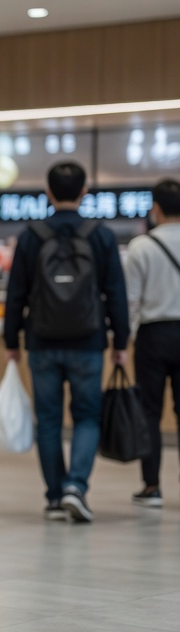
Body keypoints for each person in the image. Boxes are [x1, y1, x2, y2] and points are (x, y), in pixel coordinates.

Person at [4, 161, 129, 523]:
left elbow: (15, 294)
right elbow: (116, 293)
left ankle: (55, 497)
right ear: (84, 193)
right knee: (87, 416)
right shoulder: (101, 235)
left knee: (48, 421)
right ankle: (76, 486)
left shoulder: (31, 235)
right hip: (88, 341)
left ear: (48, 193)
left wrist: (11, 339)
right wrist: (121, 340)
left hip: (41, 340)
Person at [124, 178, 180, 508]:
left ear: (155, 208)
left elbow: (131, 301)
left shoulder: (141, 247)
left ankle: (152, 486)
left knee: (149, 412)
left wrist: (126, 339)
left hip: (153, 335)